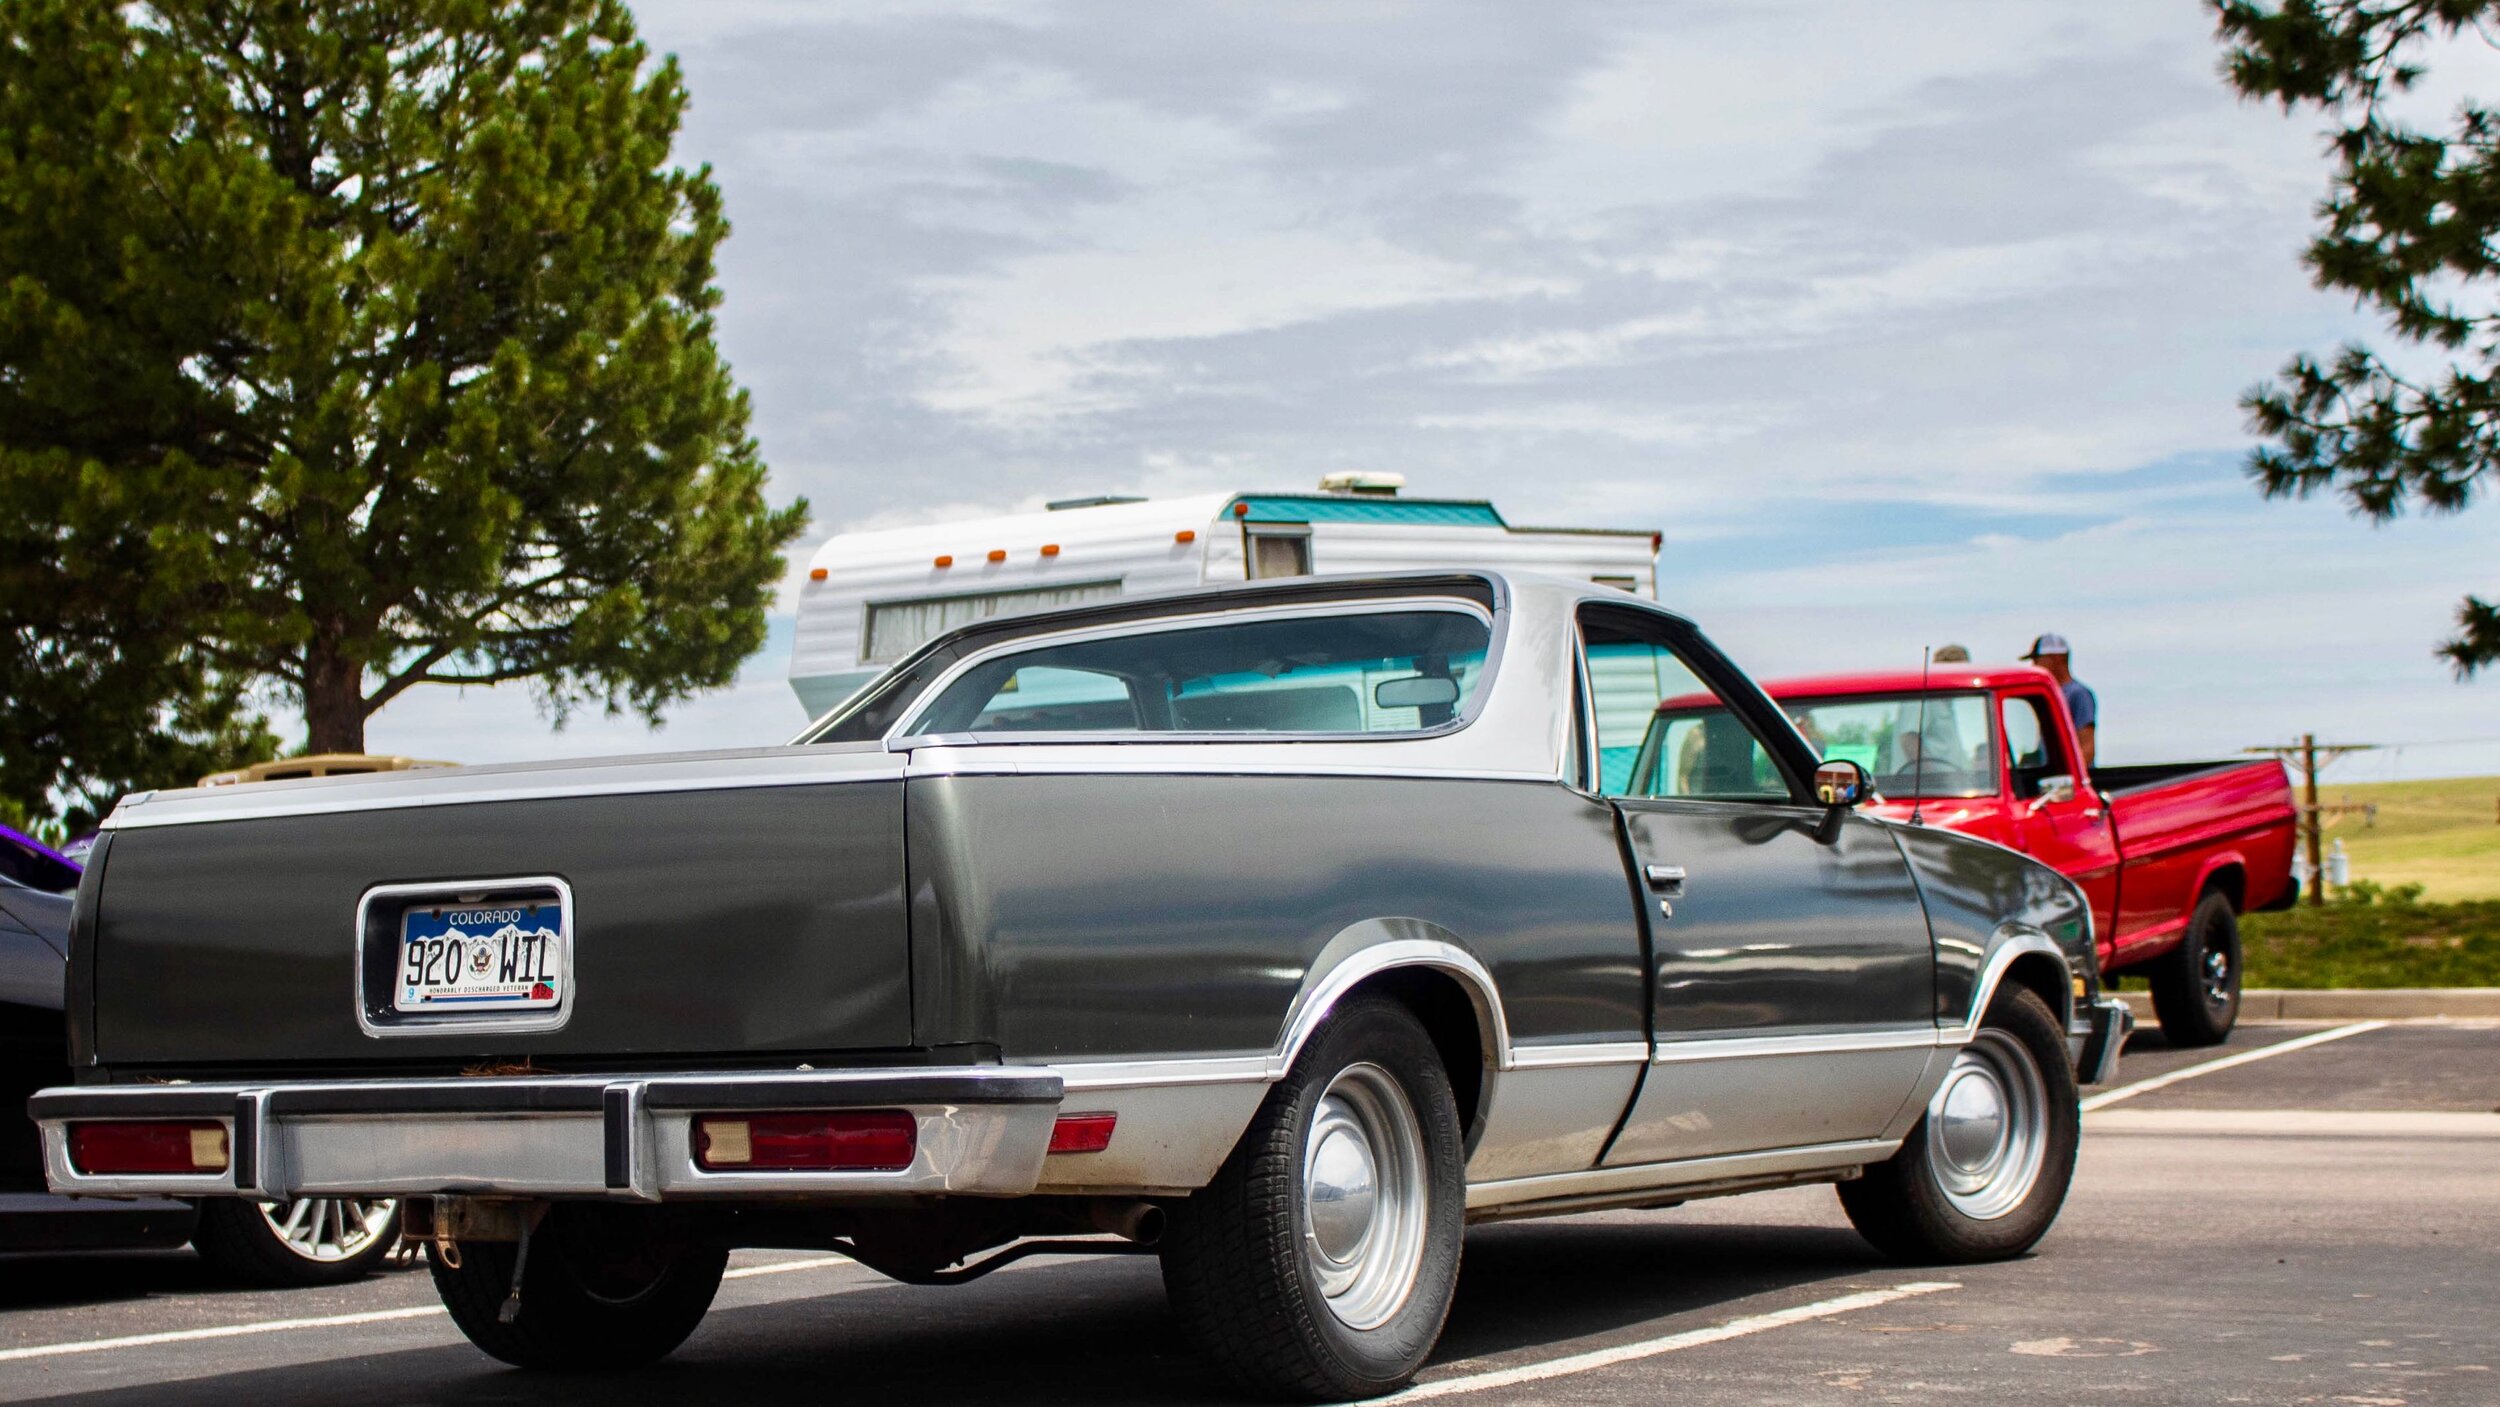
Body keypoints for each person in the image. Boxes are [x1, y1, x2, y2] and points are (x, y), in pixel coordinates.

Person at [2022, 632, 2096, 767]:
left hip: (2065, 784)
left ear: (2055, 659)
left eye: (2037, 659)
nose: (2033, 666)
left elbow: (2087, 747)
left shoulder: (2078, 694)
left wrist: (2070, 780)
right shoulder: (2049, 694)